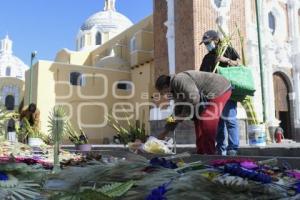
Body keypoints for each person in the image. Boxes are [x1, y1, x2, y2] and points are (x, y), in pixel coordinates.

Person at [156, 70, 232, 154]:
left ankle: (210, 154)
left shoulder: (180, 80)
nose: (163, 95)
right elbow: (177, 111)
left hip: (220, 89)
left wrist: (183, 115)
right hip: (205, 96)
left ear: (166, 87)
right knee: (198, 121)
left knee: (207, 119)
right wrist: (164, 132)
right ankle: (201, 153)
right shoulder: (174, 91)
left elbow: (194, 98)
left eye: (162, 92)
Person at [200, 30, 240, 156]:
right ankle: (220, 148)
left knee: (230, 119)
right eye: (205, 43)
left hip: (227, 90)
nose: (207, 45)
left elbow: (239, 64)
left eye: (208, 42)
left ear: (216, 40)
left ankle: (233, 148)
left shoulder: (228, 50)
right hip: (213, 93)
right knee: (218, 123)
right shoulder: (207, 57)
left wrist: (225, 60)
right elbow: (202, 75)